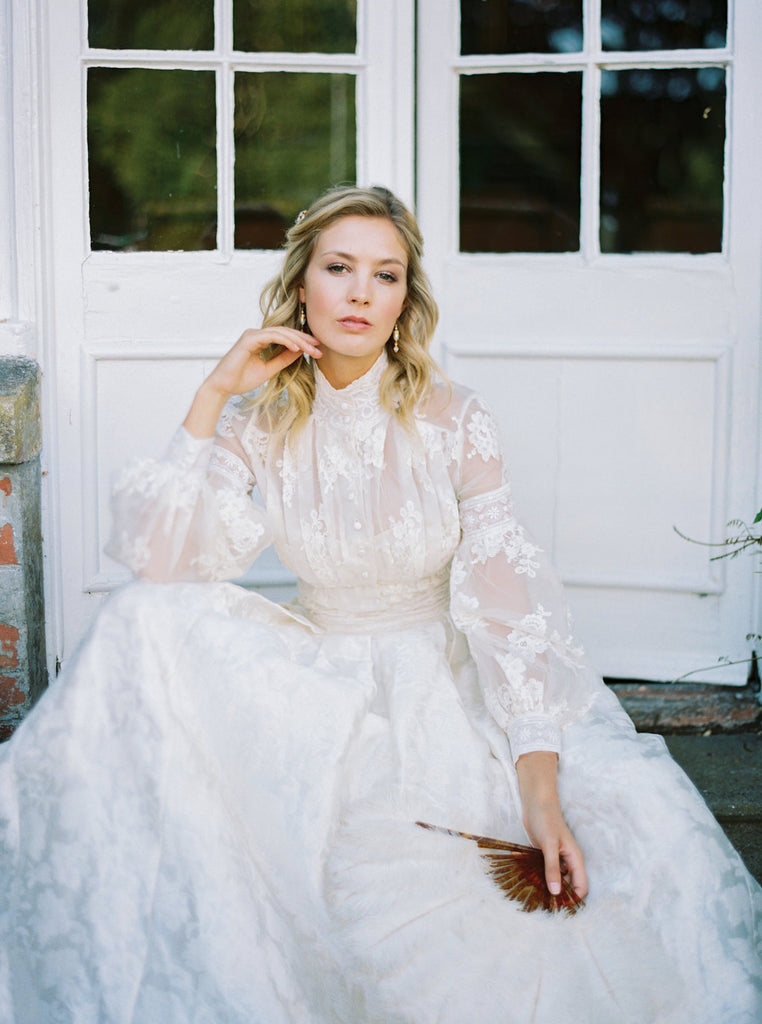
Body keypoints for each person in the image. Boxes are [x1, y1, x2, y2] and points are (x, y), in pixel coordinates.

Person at [0, 185, 759, 1024]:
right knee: (140, 618)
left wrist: (540, 791)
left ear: (405, 301)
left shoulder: (454, 420)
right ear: (302, 289)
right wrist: (215, 393)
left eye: (385, 274)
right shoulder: (259, 422)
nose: (360, 292)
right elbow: (164, 560)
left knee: (594, 866)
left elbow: (509, 613)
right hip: (318, 682)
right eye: (339, 268)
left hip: (440, 677)